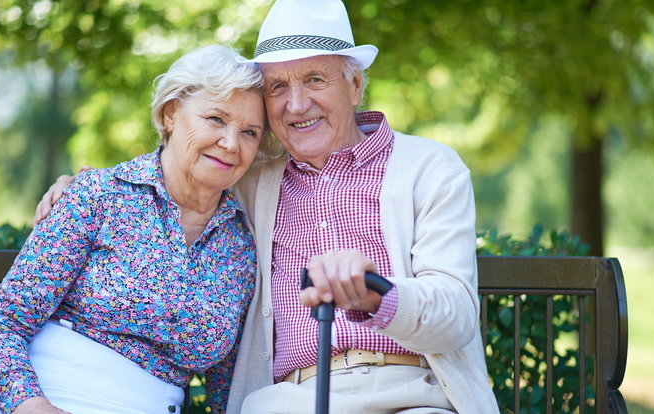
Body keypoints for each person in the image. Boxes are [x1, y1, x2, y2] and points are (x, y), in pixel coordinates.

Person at [35, 0, 499, 412]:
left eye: (315, 79)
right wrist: (82, 185)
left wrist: (375, 294)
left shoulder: (430, 168)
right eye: (277, 87)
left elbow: (456, 313)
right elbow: (182, 163)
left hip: (410, 392)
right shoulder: (251, 176)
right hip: (287, 399)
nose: (296, 105)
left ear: (354, 85)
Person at [0, 44, 267, 414]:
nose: (231, 143)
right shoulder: (98, 195)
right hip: (28, 396)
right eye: (216, 119)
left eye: (249, 132)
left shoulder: (241, 245)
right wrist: (31, 406)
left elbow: (225, 389)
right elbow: (1, 323)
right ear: (171, 114)